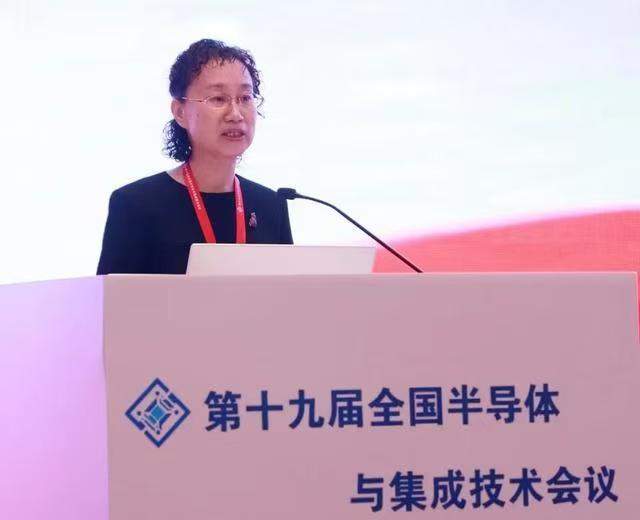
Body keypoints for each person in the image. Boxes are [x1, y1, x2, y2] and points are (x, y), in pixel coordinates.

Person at [97, 39, 293, 275]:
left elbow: (288, 296)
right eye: (218, 99)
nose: (235, 114)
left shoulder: (271, 206)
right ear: (180, 112)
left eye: (245, 98)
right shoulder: (136, 205)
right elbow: (111, 298)